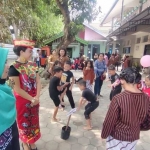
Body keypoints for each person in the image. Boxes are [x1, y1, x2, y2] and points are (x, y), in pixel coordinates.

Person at [101, 68, 150, 150]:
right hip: (134, 136)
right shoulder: (146, 98)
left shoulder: (118, 98)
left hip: (117, 137)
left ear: (122, 81)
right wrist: (138, 128)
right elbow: (148, 118)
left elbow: (109, 120)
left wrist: (104, 134)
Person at [8, 40, 41, 150]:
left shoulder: (33, 65)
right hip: (23, 102)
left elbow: (38, 81)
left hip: (34, 100)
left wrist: (37, 97)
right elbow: (15, 88)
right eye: (29, 51)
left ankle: (32, 142)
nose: (31, 53)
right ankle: (25, 142)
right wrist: (32, 98)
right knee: (24, 123)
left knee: (34, 122)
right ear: (21, 52)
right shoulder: (13, 67)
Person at [0, 47, 20, 150]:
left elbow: (13, 86)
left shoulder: (4, 85)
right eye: (4, 63)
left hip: (12, 132)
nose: (7, 66)